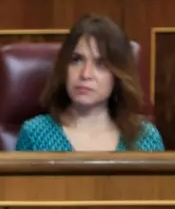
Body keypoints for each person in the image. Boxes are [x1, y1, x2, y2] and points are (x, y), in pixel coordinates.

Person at [15, 14, 164, 152]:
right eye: (76, 60)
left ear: (117, 74)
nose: (85, 74)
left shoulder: (145, 138)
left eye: (101, 64)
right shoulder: (35, 135)